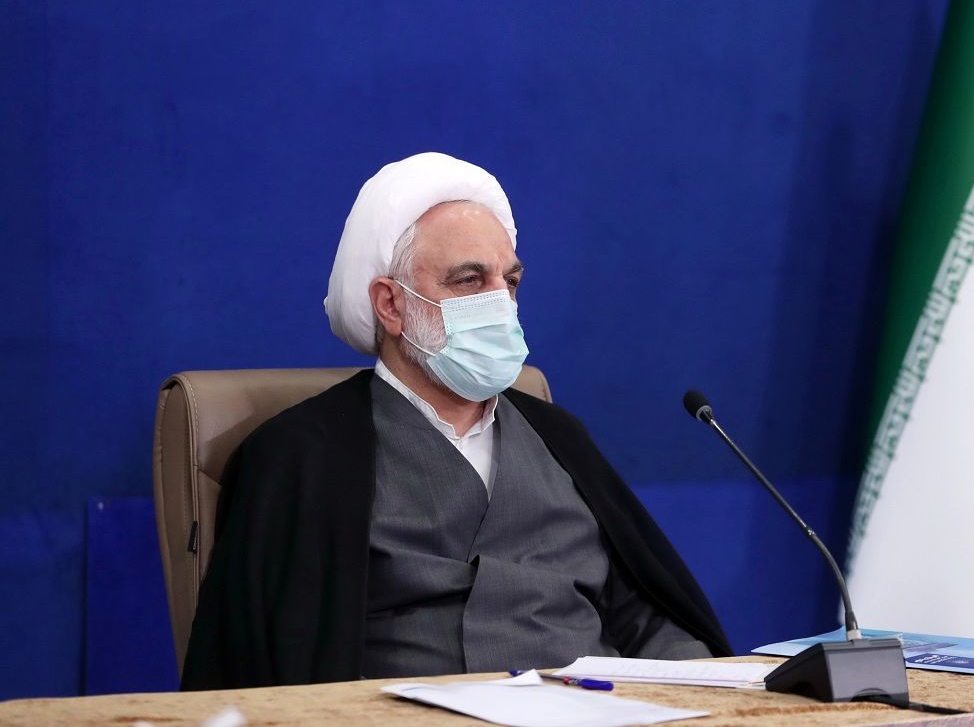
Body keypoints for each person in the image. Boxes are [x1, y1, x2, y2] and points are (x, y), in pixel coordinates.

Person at [181, 152, 730, 690]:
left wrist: (711, 687)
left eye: (509, 281)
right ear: (391, 305)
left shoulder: (560, 438)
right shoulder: (301, 455)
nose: (501, 303)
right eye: (469, 280)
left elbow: (643, 616)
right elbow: (265, 665)